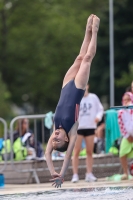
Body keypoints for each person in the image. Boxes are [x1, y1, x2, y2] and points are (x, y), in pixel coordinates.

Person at [45, 14, 100, 188]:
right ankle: (95, 31)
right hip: (77, 89)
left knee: (78, 57)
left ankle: (87, 30)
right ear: (66, 140)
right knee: (87, 58)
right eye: (58, 141)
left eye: (54, 141)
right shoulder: (72, 130)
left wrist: (52, 170)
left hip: (65, 85)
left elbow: (47, 155)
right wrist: (61, 174)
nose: (55, 138)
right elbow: (67, 156)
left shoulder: (56, 128)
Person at [71, 84, 104, 183]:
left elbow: (100, 109)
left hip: (90, 126)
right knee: (76, 151)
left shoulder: (93, 97)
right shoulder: (76, 98)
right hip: (79, 127)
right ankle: (75, 174)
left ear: (88, 86)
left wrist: (98, 117)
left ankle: (89, 173)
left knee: (89, 151)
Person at [118, 92, 133, 180]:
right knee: (122, 153)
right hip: (127, 136)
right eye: (125, 100)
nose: (127, 102)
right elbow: (121, 125)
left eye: (128, 100)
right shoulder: (120, 112)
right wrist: (127, 136)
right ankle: (126, 173)